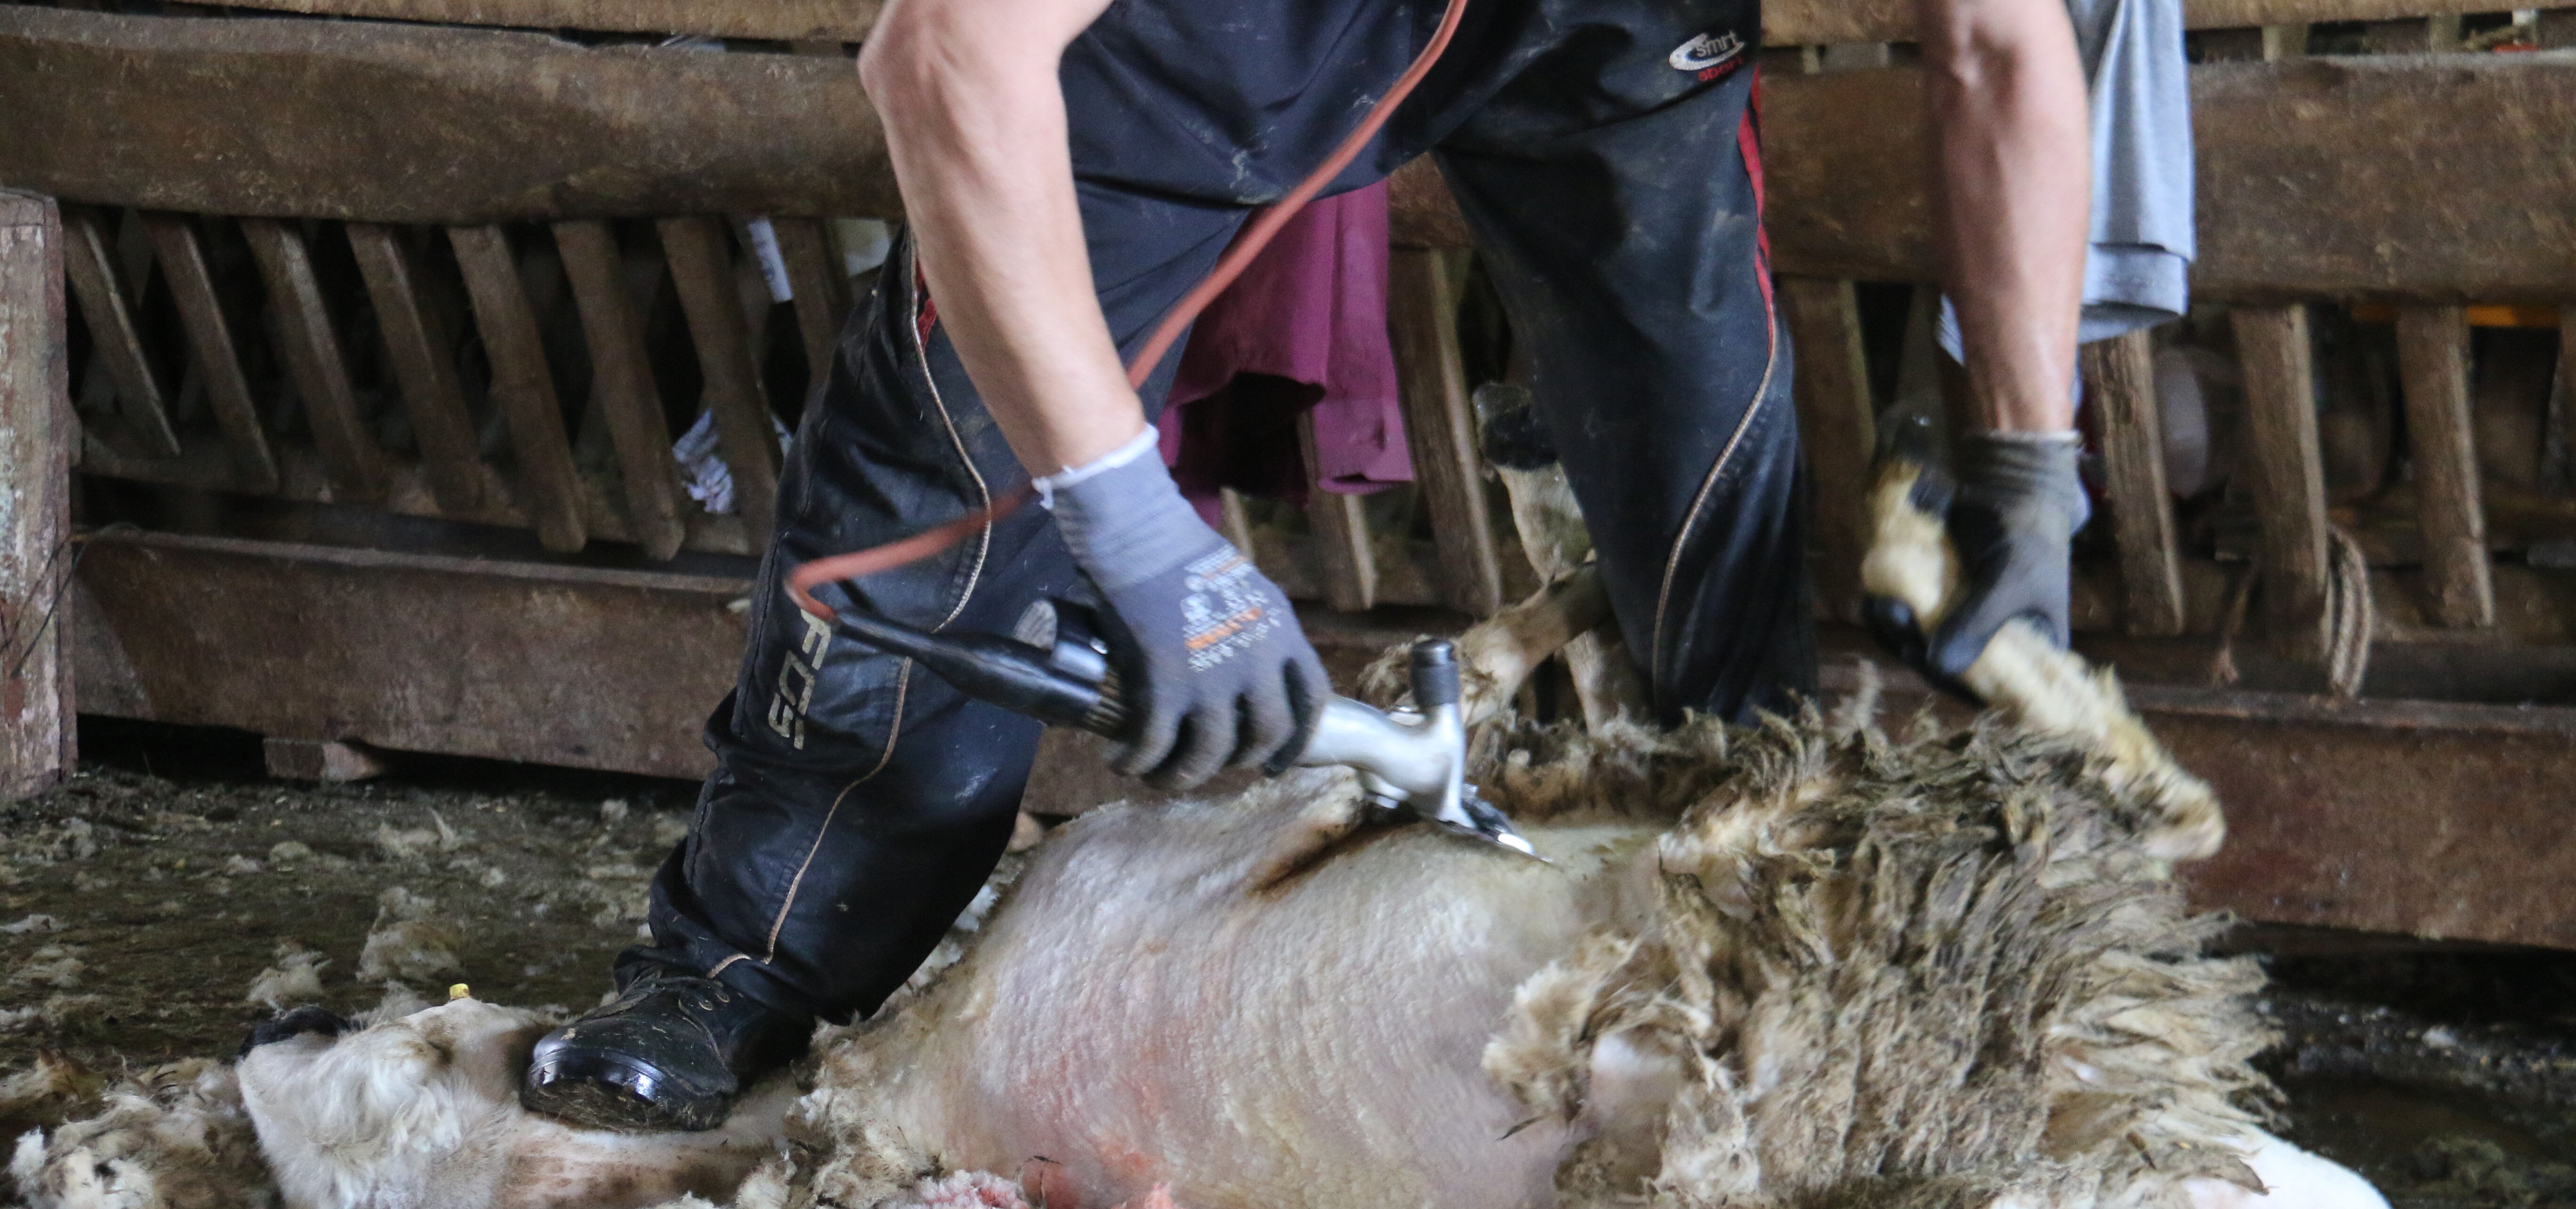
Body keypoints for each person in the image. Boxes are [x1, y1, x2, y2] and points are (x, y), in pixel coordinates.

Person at [522, 0, 2101, 1131]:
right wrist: (1133, 527)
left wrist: (2032, 478)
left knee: (1700, 425)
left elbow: (2005, 46)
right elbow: (944, 53)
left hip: (1602, 35)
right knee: (953, 493)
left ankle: (1738, 928)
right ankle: (740, 967)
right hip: (1193, 57)